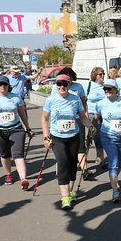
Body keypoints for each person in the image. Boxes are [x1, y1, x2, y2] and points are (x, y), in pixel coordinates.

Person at [41, 74, 89, 210]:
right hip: (57, 137)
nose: (62, 87)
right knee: (62, 162)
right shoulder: (51, 100)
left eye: (65, 84)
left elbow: (83, 118)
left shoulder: (75, 99)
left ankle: (70, 192)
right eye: (59, 84)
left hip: (74, 136)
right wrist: (45, 137)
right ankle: (65, 197)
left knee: (73, 164)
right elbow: (44, 119)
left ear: (69, 85)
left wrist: (91, 127)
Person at [0, 75, 32, 189]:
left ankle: (23, 179)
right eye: (0, 84)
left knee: (18, 154)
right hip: (0, 130)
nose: (3, 86)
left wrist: (28, 128)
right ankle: (8, 175)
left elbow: (22, 114)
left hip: (16, 129)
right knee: (5, 154)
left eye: (5, 84)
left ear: (8, 86)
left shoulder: (16, 97)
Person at [85, 67, 108, 176]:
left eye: (103, 74)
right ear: (94, 75)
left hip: (103, 115)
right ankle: (84, 158)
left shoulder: (104, 87)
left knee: (100, 136)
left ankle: (100, 158)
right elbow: (83, 100)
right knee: (94, 135)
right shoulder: (89, 86)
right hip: (91, 115)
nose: (102, 76)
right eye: (100, 74)